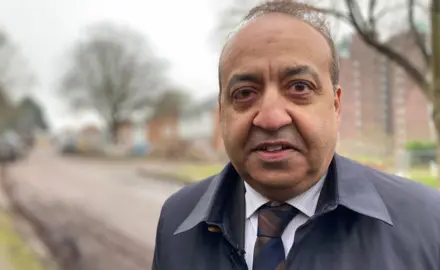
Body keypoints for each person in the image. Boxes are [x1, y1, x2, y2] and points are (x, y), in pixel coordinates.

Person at [151, 1, 440, 269]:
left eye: (299, 87)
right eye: (245, 93)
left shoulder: (428, 223)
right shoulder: (178, 219)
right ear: (221, 114)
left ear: (336, 106)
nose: (271, 117)